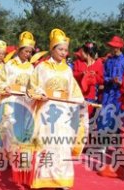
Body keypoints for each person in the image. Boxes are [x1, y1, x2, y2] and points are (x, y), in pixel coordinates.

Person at [29, 28, 86, 189]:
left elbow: (74, 91)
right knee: (46, 145)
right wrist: (40, 94)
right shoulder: (42, 67)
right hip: (46, 111)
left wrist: (80, 102)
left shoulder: (68, 70)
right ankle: (44, 179)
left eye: (65, 50)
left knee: (62, 145)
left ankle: (62, 181)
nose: (63, 53)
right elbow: (32, 87)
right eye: (60, 49)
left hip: (63, 113)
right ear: (52, 49)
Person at [98, 35, 124, 133]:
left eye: (114, 46)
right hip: (108, 93)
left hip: (119, 94)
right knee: (104, 115)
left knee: (117, 116)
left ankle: (114, 142)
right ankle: (102, 142)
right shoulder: (108, 61)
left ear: (119, 47)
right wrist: (111, 79)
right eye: (111, 46)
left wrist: (122, 83)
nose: (112, 48)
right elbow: (103, 76)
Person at [72, 41, 104, 116]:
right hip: (78, 94)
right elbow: (73, 75)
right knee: (76, 117)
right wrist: (81, 74)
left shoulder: (98, 64)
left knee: (86, 118)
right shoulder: (78, 62)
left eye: (82, 52)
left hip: (90, 95)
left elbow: (101, 80)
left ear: (88, 53)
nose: (80, 53)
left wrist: (95, 75)